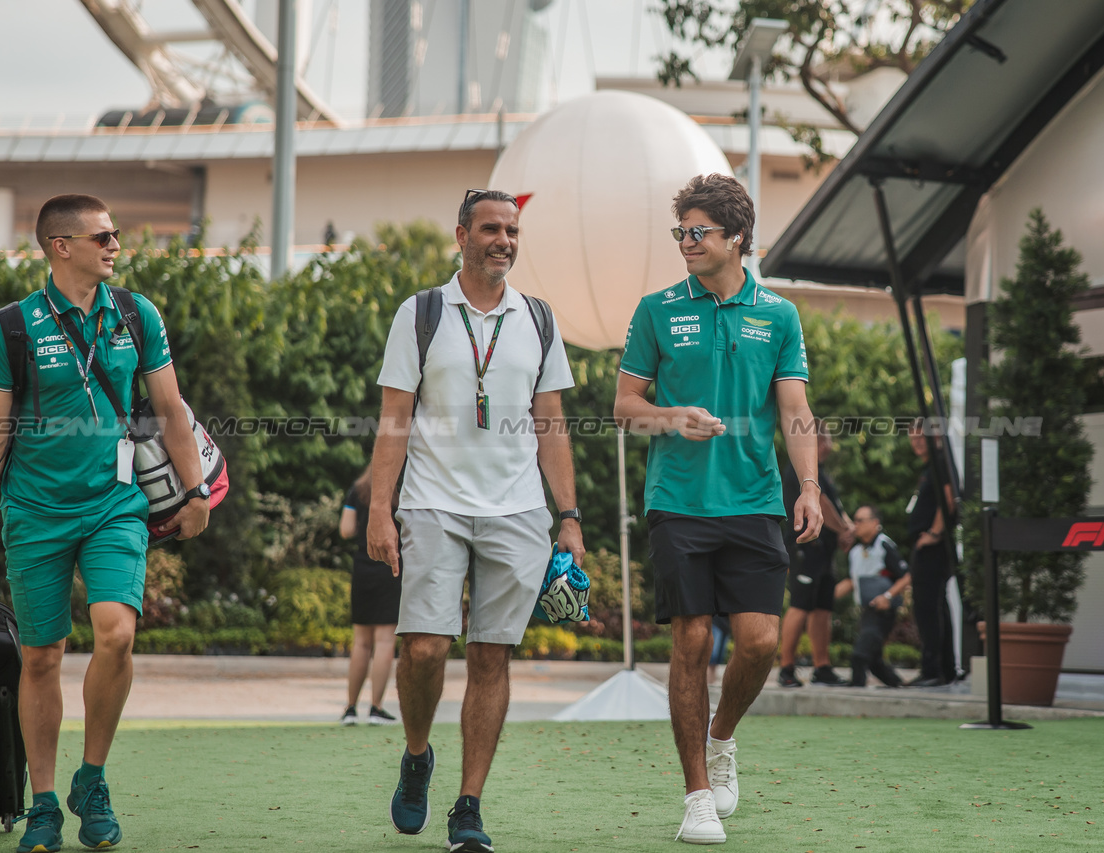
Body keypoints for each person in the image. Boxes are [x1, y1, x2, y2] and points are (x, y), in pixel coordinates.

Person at [0, 194, 209, 853]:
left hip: (116, 504)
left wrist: (195, 493)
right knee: (41, 657)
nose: (116, 245)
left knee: (116, 634)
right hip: (35, 511)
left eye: (115, 234)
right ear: (61, 246)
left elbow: (170, 409)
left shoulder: (136, 314)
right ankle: (44, 803)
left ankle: (93, 777)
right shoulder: (14, 327)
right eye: (103, 236)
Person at [367, 188, 585, 853]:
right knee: (426, 646)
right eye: (491, 228)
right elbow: (394, 419)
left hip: (519, 512)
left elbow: (552, 424)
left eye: (513, 230)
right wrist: (381, 507)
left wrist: (569, 517)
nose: (504, 241)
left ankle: (469, 804)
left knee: (492, 653)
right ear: (461, 235)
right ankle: (416, 753)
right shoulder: (422, 312)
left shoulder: (540, 317)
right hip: (432, 502)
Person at [614, 173, 822, 846]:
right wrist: (672, 417)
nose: (686, 243)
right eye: (681, 231)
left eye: (698, 231)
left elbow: (795, 412)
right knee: (692, 641)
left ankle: (722, 734)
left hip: (756, 500)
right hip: (677, 501)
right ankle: (697, 793)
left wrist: (810, 487)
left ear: (736, 238)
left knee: (761, 641)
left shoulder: (779, 315)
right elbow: (625, 409)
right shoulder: (655, 309)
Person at [776, 421, 855, 688]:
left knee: (822, 607)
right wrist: (844, 529)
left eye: (827, 440)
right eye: (822, 440)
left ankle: (822, 667)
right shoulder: (802, 470)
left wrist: (847, 529)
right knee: (800, 605)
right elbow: (821, 503)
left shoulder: (821, 472)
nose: (827, 446)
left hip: (824, 551)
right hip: (804, 547)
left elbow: (835, 505)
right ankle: (786, 667)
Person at [338, 464, 401, 726]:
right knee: (384, 641)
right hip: (392, 569)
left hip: (362, 570)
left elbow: (345, 530)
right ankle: (376, 708)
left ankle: (350, 709)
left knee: (361, 642)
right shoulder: (400, 491)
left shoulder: (358, 490)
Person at [905, 420, 958, 687]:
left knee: (927, 607)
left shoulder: (939, 461)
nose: (916, 443)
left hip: (933, 548)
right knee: (938, 606)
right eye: (913, 438)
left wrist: (935, 534)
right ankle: (945, 669)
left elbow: (948, 499)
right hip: (930, 547)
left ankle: (932, 671)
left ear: (935, 437)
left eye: (921, 438)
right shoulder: (932, 464)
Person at [834, 505, 911, 687]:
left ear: (875, 523)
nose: (856, 525)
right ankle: (898, 685)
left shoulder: (884, 545)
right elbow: (852, 581)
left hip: (882, 612)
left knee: (860, 656)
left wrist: (887, 596)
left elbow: (906, 576)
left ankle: (856, 689)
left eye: (860, 520)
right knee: (875, 662)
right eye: (855, 520)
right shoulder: (855, 552)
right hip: (867, 611)